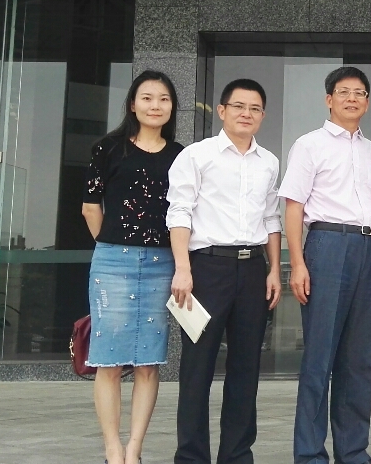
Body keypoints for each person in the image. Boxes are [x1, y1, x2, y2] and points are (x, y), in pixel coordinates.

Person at [166, 79, 283, 464]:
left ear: (262, 115)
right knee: (196, 369)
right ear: (221, 110)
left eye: (254, 108)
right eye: (238, 106)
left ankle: (237, 455)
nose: (246, 114)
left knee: (246, 369)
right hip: (206, 270)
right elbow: (179, 212)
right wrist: (183, 268)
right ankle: (191, 457)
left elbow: (271, 218)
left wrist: (273, 270)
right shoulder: (196, 156)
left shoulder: (269, 162)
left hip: (252, 272)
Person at [280, 66, 371, 464]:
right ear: (329, 99)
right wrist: (298, 263)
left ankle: (353, 450)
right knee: (319, 357)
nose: (352, 98)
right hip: (326, 245)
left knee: (359, 361)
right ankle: (310, 453)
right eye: (344, 92)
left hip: (367, 248)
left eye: (360, 93)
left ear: (367, 102)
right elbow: (293, 207)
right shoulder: (309, 145)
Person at [82, 70, 184, 464]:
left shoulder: (181, 156)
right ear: (132, 104)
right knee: (109, 361)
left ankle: (134, 450)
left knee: (148, 361)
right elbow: (91, 207)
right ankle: (113, 450)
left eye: (163, 99)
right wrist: (112, 246)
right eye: (147, 98)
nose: (155, 105)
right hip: (112, 262)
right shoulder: (107, 148)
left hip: (163, 264)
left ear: (172, 107)